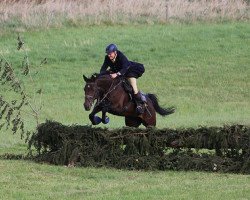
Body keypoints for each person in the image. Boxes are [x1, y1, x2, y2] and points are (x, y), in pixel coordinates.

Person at [100, 43, 145, 114]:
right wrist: (101, 76)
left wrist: (117, 74)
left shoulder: (120, 56)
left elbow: (125, 67)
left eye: (110, 54)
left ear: (115, 52)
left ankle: (140, 105)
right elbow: (103, 68)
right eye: (108, 54)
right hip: (120, 71)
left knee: (133, 87)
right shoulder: (107, 58)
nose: (109, 55)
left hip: (131, 70)